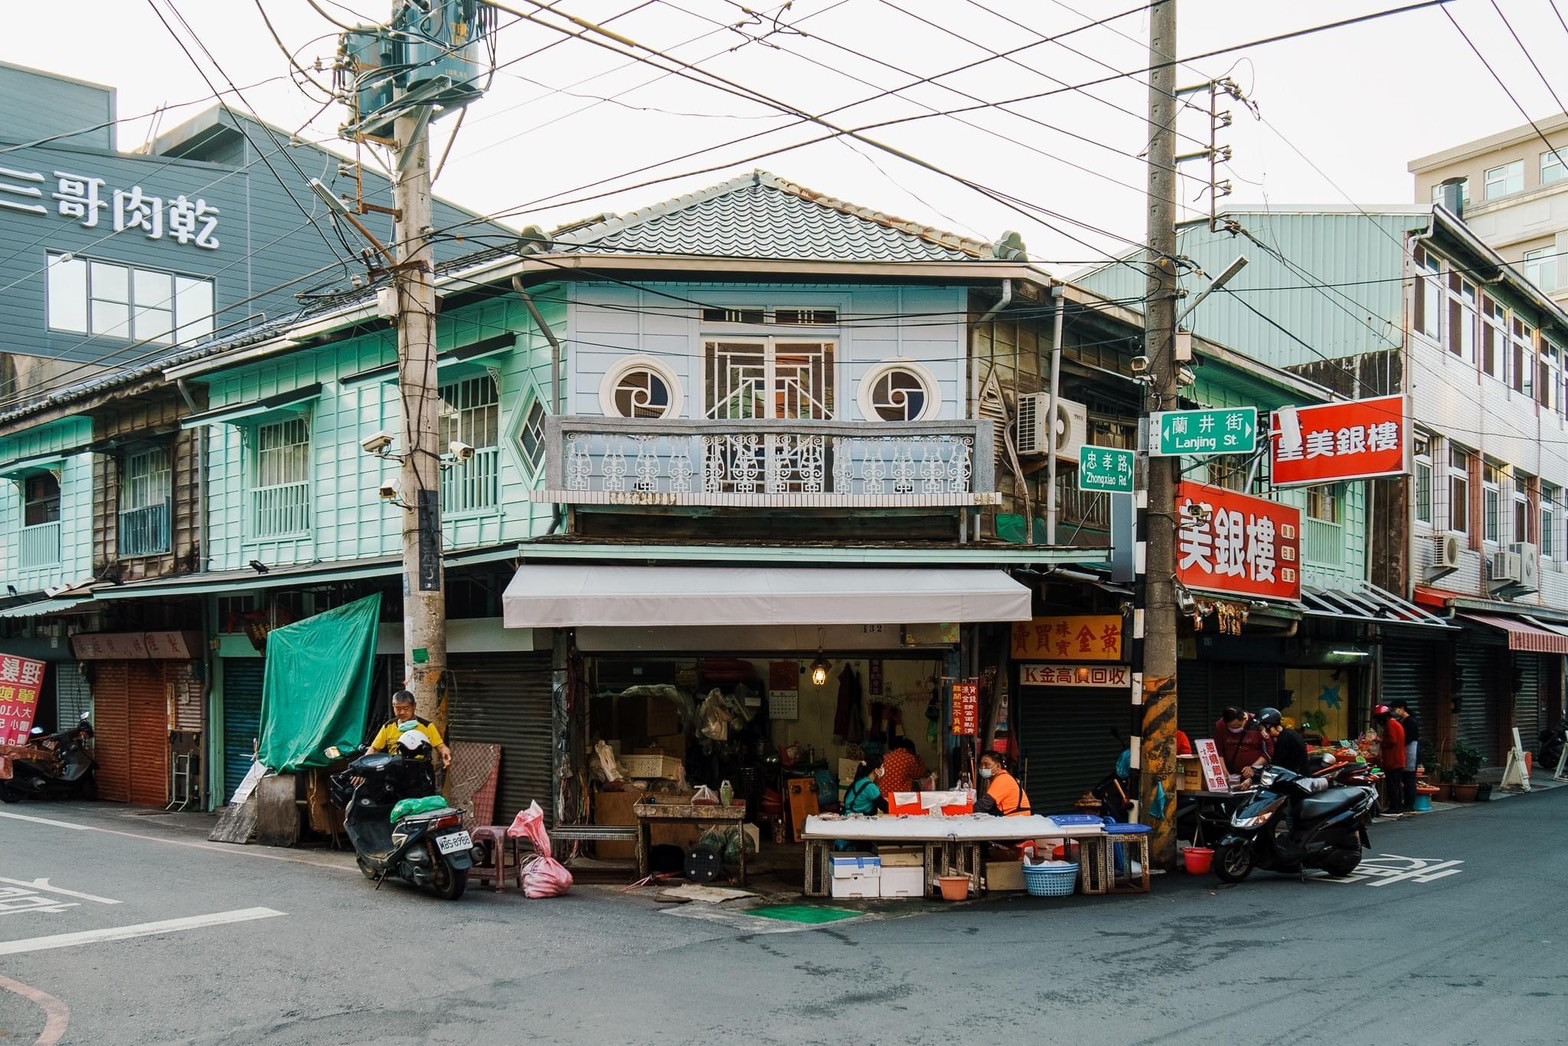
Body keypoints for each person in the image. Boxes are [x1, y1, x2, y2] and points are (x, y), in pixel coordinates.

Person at [367, 690, 453, 770]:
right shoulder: (388, 727)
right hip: (395, 772)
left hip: (420, 772)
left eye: (406, 708)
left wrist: (445, 754)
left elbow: (440, 746)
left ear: (414, 706)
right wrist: (363, 766)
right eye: (398, 708)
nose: (402, 712)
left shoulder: (427, 726)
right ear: (393, 707)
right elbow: (374, 748)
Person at [1215, 706, 1268, 780]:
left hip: (1256, 774)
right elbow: (1218, 750)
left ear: (1244, 719)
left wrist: (1253, 767)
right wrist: (1224, 770)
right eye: (1232, 727)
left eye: (1238, 726)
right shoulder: (1220, 725)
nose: (1235, 729)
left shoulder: (1257, 722)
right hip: (1231, 774)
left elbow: (1269, 751)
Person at [974, 750, 1032, 817]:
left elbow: (983, 804)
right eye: (981, 765)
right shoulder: (1000, 778)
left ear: (998, 766)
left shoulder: (1003, 779)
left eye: (986, 764)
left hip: (1017, 819)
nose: (983, 768)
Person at [1253, 707, 1308, 776]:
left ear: (1269, 725)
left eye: (1262, 729)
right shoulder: (1285, 735)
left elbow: (1277, 766)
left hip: (1296, 778)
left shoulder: (1285, 739)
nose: (1262, 732)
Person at [1373, 704, 1407, 816]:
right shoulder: (1395, 723)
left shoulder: (1390, 725)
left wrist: (1380, 741)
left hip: (1393, 760)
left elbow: (1392, 740)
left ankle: (1395, 807)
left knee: (1393, 785)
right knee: (1396, 784)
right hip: (1398, 759)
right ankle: (1398, 806)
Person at [1389, 699, 1421, 813]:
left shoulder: (1411, 721)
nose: (1394, 711)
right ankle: (1404, 803)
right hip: (1403, 752)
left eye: (1395, 709)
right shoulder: (1401, 720)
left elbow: (1409, 738)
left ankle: (1409, 804)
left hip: (1411, 752)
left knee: (1410, 779)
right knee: (1405, 778)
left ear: (1402, 708)